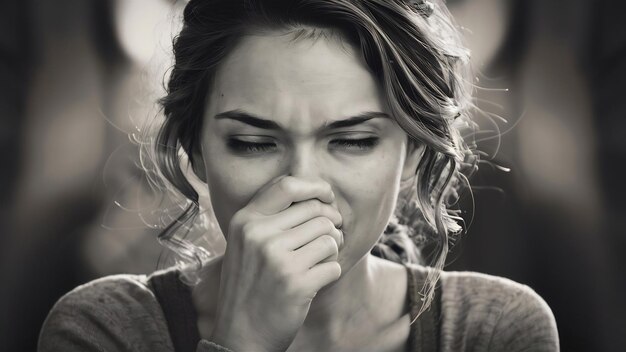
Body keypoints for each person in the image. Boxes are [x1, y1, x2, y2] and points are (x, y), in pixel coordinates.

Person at [38, 0, 560, 351]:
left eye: (353, 141)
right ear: (195, 152)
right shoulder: (104, 329)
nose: (302, 186)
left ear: (413, 156)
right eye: (254, 143)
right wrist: (243, 340)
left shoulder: (491, 329)